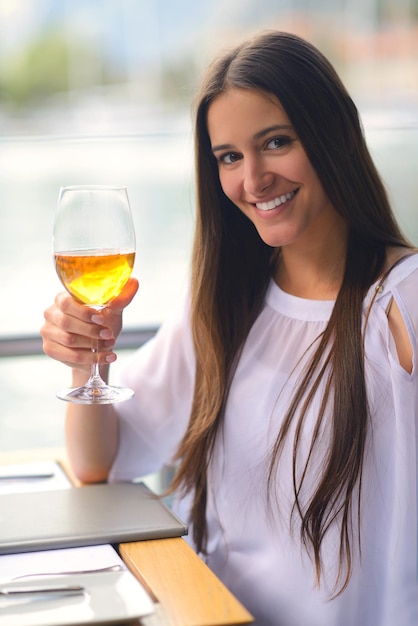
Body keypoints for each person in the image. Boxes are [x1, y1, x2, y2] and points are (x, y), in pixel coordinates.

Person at [41, 30, 418, 626]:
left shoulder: (401, 303)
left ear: (333, 135)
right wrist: (86, 362)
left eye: (276, 142)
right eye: (230, 157)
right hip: (205, 609)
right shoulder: (226, 299)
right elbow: (99, 463)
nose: (254, 179)